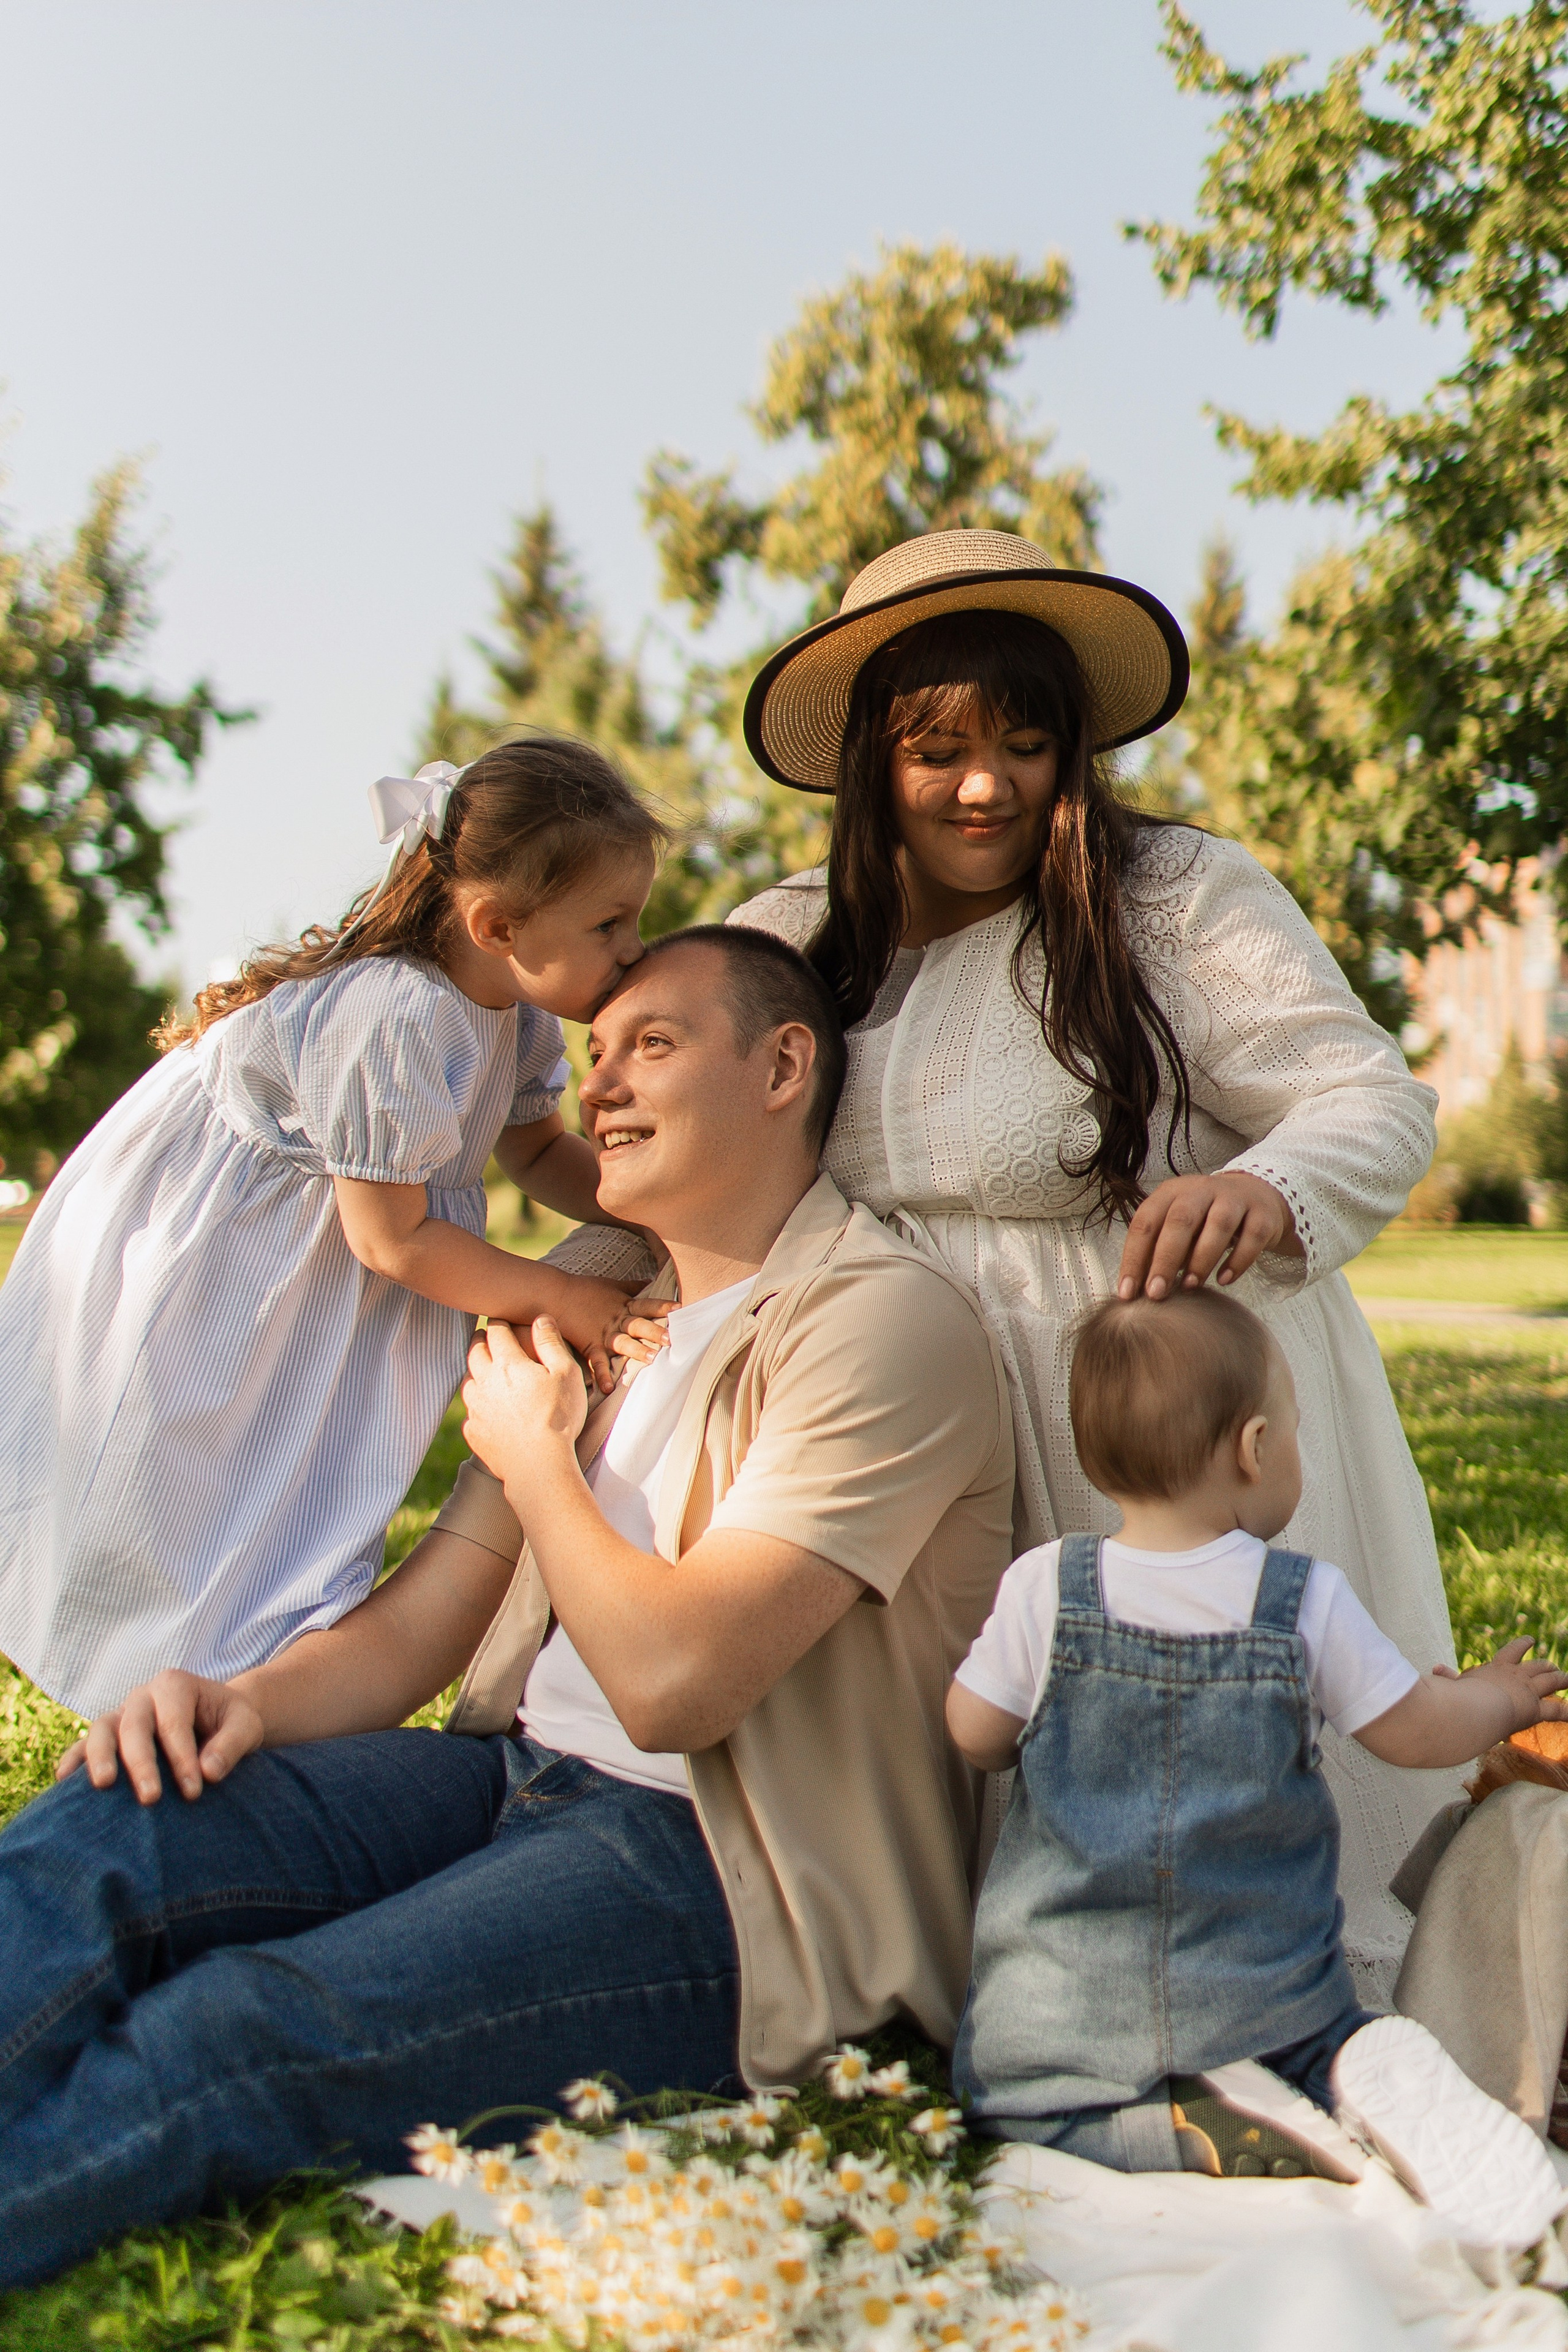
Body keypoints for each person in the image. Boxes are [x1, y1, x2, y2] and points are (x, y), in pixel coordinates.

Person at [0, 924, 1015, 2291]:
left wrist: (541, 1460)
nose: (598, 1087)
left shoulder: (880, 1325)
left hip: (726, 1878)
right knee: (120, 1830)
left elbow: (673, 1687)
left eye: (649, 1045)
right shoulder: (603, 1310)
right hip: (509, 1781)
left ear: (783, 1067)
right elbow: (418, 1634)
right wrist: (232, 1704)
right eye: (595, 1054)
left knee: (241, 2034)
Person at [724, 526, 1452, 2002]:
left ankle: (1297, 2004)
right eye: (936, 749)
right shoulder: (791, 937)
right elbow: (673, 1137)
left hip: (1152, 1394)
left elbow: (1369, 1097)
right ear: (872, 759)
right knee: (983, 1767)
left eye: (1024, 741)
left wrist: (1262, 1184)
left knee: (1219, 1799)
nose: (982, 784)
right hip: (910, 1430)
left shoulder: (1167, 892)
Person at [0, 736, 671, 1719]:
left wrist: (651, 1205)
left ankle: (247, 1684)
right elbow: (393, 1242)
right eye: (611, 922)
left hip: (341, 1264)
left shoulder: (516, 1018)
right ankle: (142, 1678)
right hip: (241, 1257)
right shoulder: (395, 1015)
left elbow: (533, 1155)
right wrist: (561, 1293)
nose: (634, 948)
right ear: (495, 924)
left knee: (294, 1484)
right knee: (190, 1464)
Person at [946, 1286, 1568, 2250]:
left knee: (1032, 2110)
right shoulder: (1299, 1599)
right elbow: (1416, 1730)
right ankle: (1326, 2094)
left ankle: (1152, 2130)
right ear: (1254, 1449)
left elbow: (974, 1732)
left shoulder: (1044, 1586)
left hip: (1053, 2015)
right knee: (1325, 2044)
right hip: (1260, 1994)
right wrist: (1498, 1697)